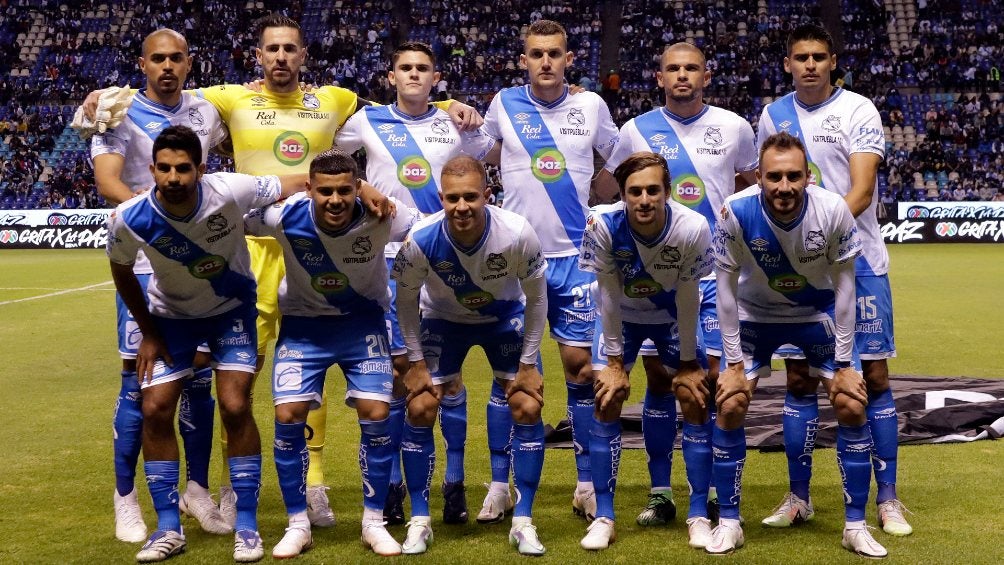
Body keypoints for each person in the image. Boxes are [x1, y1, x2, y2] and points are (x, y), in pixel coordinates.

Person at [84, 14, 481, 527]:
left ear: (303, 55)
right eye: (271, 48)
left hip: (310, 246)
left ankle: (314, 484)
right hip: (245, 251)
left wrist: (447, 106)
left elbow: (400, 109)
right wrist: (99, 97)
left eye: (290, 48)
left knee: (309, 367)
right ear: (258, 56)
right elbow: (165, 91)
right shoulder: (228, 99)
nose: (280, 56)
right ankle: (229, 488)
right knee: (233, 377)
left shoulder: (334, 100)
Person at [106, 125, 308, 562]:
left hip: (230, 312)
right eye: (164, 168)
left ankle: (247, 526)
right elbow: (121, 269)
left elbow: (294, 182)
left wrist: (363, 187)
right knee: (155, 407)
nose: (173, 178)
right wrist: (149, 331)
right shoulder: (130, 217)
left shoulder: (230, 189)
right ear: (152, 170)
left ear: (200, 169)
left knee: (234, 405)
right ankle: (168, 527)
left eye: (183, 168)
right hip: (170, 318)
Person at [598, 42, 758, 539]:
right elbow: (609, 187)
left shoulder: (734, 126)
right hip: (651, 274)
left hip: (710, 275)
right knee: (659, 381)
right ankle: (661, 492)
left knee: (703, 381)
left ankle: (703, 490)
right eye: (673, 68)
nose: (682, 75)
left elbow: (752, 184)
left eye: (691, 68)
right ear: (660, 76)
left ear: (706, 76)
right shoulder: (635, 129)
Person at [333, 41, 495, 526]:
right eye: (405, 67)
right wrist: (362, 187)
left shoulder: (455, 122)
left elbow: (489, 155)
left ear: (436, 77)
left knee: (448, 376)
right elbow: (328, 155)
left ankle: (454, 482)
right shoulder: (366, 121)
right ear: (391, 76)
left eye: (423, 68)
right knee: (397, 377)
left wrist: (462, 112)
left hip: (445, 258)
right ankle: (393, 487)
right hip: (385, 261)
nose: (413, 74)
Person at [757, 23, 909, 536]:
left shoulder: (858, 109)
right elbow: (766, 185)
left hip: (858, 264)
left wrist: (817, 240)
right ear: (787, 64)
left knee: (874, 377)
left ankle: (887, 499)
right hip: (796, 271)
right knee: (800, 378)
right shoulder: (772, 116)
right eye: (801, 57)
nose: (810, 65)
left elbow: (861, 191)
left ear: (832, 61)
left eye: (819, 57)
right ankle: (799, 497)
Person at [709, 131, 886, 558]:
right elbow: (725, 289)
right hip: (754, 314)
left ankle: (855, 526)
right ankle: (730, 523)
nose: (784, 186)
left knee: (851, 403)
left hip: (815, 314)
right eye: (774, 177)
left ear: (809, 176)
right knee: (730, 402)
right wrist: (732, 363)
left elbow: (845, 287)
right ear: (758, 177)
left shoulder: (833, 210)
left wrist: (844, 364)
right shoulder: (734, 210)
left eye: (793, 176)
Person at [89, 28, 230, 542]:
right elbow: (107, 181)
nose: (167, 66)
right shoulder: (116, 110)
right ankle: (126, 498)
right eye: (157, 59)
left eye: (175, 58)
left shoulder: (207, 110)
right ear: (142, 64)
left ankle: (197, 490)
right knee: (139, 379)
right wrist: (156, 221)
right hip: (147, 263)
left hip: (200, 262)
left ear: (189, 63)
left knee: (200, 377)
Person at [244, 149, 419, 558]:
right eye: (325, 192)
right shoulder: (283, 217)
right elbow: (237, 215)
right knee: (288, 416)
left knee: (377, 413)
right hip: (303, 329)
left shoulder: (383, 215)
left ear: (357, 188)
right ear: (309, 189)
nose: (335, 200)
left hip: (363, 326)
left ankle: (373, 522)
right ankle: (297, 524)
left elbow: (429, 226)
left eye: (344, 190)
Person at [482, 19, 619, 523]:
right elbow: (476, 149)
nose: (545, 61)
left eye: (554, 53)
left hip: (577, 262)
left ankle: (585, 485)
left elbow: (622, 156)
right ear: (524, 60)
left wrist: (603, 201)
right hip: (517, 261)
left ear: (568, 59)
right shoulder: (503, 104)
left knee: (581, 370)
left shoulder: (591, 105)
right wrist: (453, 109)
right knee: (509, 375)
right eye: (536, 54)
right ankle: (500, 485)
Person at [391, 156, 548, 556]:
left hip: (503, 318)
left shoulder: (517, 232)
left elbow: (537, 299)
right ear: (441, 198)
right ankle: (420, 521)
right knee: (420, 406)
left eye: (471, 197)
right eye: (453, 198)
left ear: (487, 195)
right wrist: (416, 363)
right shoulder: (420, 239)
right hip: (443, 321)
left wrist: (528, 364)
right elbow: (405, 302)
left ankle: (523, 521)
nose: (462, 207)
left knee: (528, 406)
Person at [577, 152, 713, 550]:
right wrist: (614, 362)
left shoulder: (692, 227)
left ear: (668, 192)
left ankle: (698, 514)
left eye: (653, 190)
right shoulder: (602, 224)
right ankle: (604, 517)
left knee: (693, 395)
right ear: (622, 194)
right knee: (607, 395)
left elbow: (688, 294)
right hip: (623, 315)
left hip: (672, 313)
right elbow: (607, 293)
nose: (644, 200)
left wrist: (687, 363)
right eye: (635, 192)